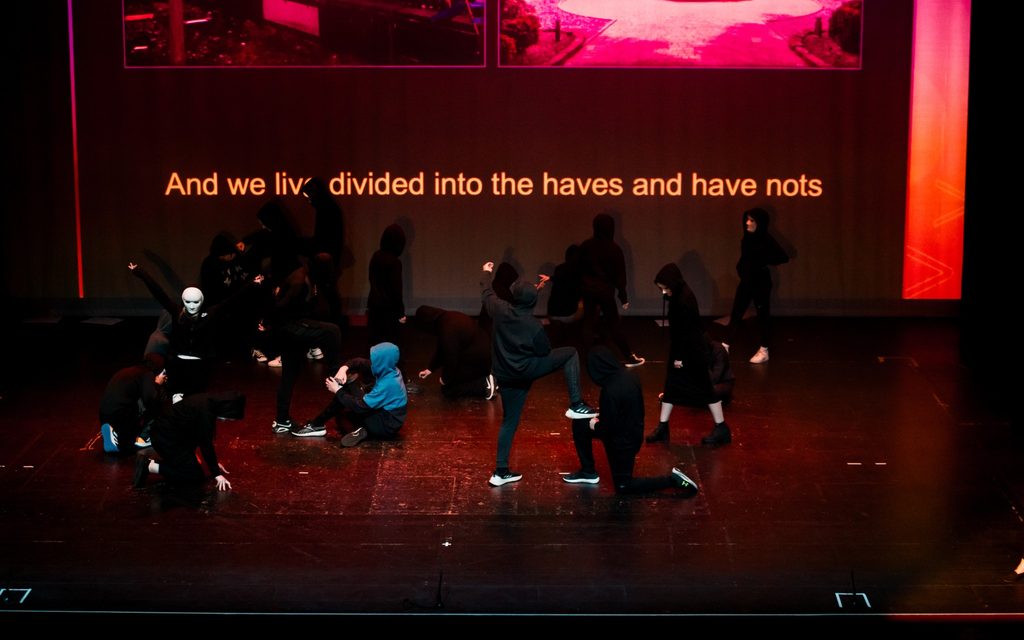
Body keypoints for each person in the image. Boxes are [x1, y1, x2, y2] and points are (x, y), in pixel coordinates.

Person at [480, 260, 598, 487]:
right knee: (570, 353)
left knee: (509, 422)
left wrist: (487, 273)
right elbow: (543, 351)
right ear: (533, 302)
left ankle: (500, 471)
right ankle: (576, 403)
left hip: (506, 375)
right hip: (526, 370)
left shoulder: (500, 310)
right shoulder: (533, 326)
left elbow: (487, 292)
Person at [564, 346, 699, 496]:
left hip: (622, 443)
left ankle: (672, 480)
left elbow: (607, 429)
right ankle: (588, 472)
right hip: (632, 433)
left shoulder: (610, 391)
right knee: (580, 423)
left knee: (624, 486)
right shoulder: (630, 375)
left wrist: (595, 424)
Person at [129, 261, 264, 395]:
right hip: (178, 363)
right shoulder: (176, 312)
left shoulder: (209, 314)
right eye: (188, 302)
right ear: (183, 300)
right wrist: (140, 272)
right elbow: (158, 292)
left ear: (202, 301)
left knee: (196, 398)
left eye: (196, 302)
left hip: (199, 365)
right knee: (177, 397)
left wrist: (251, 285)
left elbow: (232, 300)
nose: (192, 306)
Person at [645, 263, 731, 447]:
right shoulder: (679, 295)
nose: (663, 292)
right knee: (670, 388)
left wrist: (680, 359)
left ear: (673, 285)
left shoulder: (683, 301)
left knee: (706, 389)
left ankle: (722, 428)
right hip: (685, 350)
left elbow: (687, 333)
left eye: (665, 288)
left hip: (691, 353)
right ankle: (663, 427)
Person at [266, 264, 343, 434]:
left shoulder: (309, 277)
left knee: (290, 373)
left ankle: (282, 420)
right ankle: (336, 371)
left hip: (292, 326)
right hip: (289, 328)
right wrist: (267, 325)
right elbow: (279, 308)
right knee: (332, 331)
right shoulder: (300, 282)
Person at [292, 342, 408, 446]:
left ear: (381, 361)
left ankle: (317, 425)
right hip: (387, 417)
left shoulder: (389, 383)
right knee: (345, 404)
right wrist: (343, 369)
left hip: (386, 426)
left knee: (347, 392)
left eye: (375, 359)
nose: (371, 362)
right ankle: (362, 429)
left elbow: (360, 406)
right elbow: (358, 362)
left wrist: (337, 390)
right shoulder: (388, 368)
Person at [133, 391, 245, 491]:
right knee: (193, 475)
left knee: (193, 469)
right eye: (227, 418)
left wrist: (213, 464)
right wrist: (216, 474)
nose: (225, 421)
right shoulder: (205, 412)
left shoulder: (207, 402)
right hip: (165, 439)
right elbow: (205, 443)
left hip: (173, 436)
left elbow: (195, 433)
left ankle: (165, 463)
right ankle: (149, 466)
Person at [718, 207, 789, 364]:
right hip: (747, 281)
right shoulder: (747, 238)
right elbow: (746, 259)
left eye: (752, 220)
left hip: (761, 282)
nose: (747, 223)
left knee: (763, 315)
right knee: (736, 312)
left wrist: (763, 260)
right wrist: (742, 268)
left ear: (760, 223)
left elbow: (783, 257)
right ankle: (725, 345)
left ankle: (764, 350)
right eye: (747, 219)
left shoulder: (766, 239)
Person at [579, 213, 644, 367]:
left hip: (588, 290)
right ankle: (629, 356)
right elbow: (620, 276)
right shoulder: (614, 249)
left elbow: (578, 268)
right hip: (605, 291)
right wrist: (623, 297)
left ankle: (586, 358)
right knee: (613, 324)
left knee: (588, 323)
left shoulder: (586, 246)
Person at [415, 305, 495, 399]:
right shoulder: (447, 318)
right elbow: (442, 349)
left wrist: (445, 379)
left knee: (449, 390)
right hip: (482, 356)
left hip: (479, 362)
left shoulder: (447, 328)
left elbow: (451, 358)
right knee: (452, 381)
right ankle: (483, 380)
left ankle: (483, 385)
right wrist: (431, 369)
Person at [99, 353, 167, 453]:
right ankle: (144, 438)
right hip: (120, 416)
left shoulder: (128, 371)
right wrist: (157, 384)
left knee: (135, 403)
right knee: (160, 404)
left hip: (105, 415)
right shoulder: (147, 374)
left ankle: (113, 432)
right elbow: (151, 400)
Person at [546, 244, 584, 348]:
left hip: (552, 312)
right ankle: (580, 335)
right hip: (569, 313)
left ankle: (563, 329)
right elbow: (578, 294)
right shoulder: (579, 272)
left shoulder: (559, 269)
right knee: (589, 305)